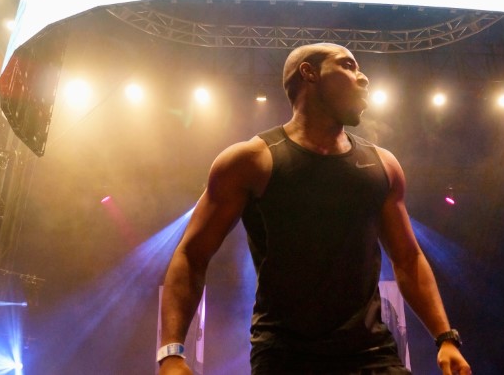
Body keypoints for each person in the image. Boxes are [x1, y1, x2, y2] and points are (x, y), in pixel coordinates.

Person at [158, 42, 472, 375]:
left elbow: (408, 258)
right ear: (309, 73)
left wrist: (445, 338)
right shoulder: (251, 161)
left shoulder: (383, 165)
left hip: (372, 354)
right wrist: (171, 353)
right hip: (285, 359)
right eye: (348, 65)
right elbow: (191, 255)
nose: (363, 77)